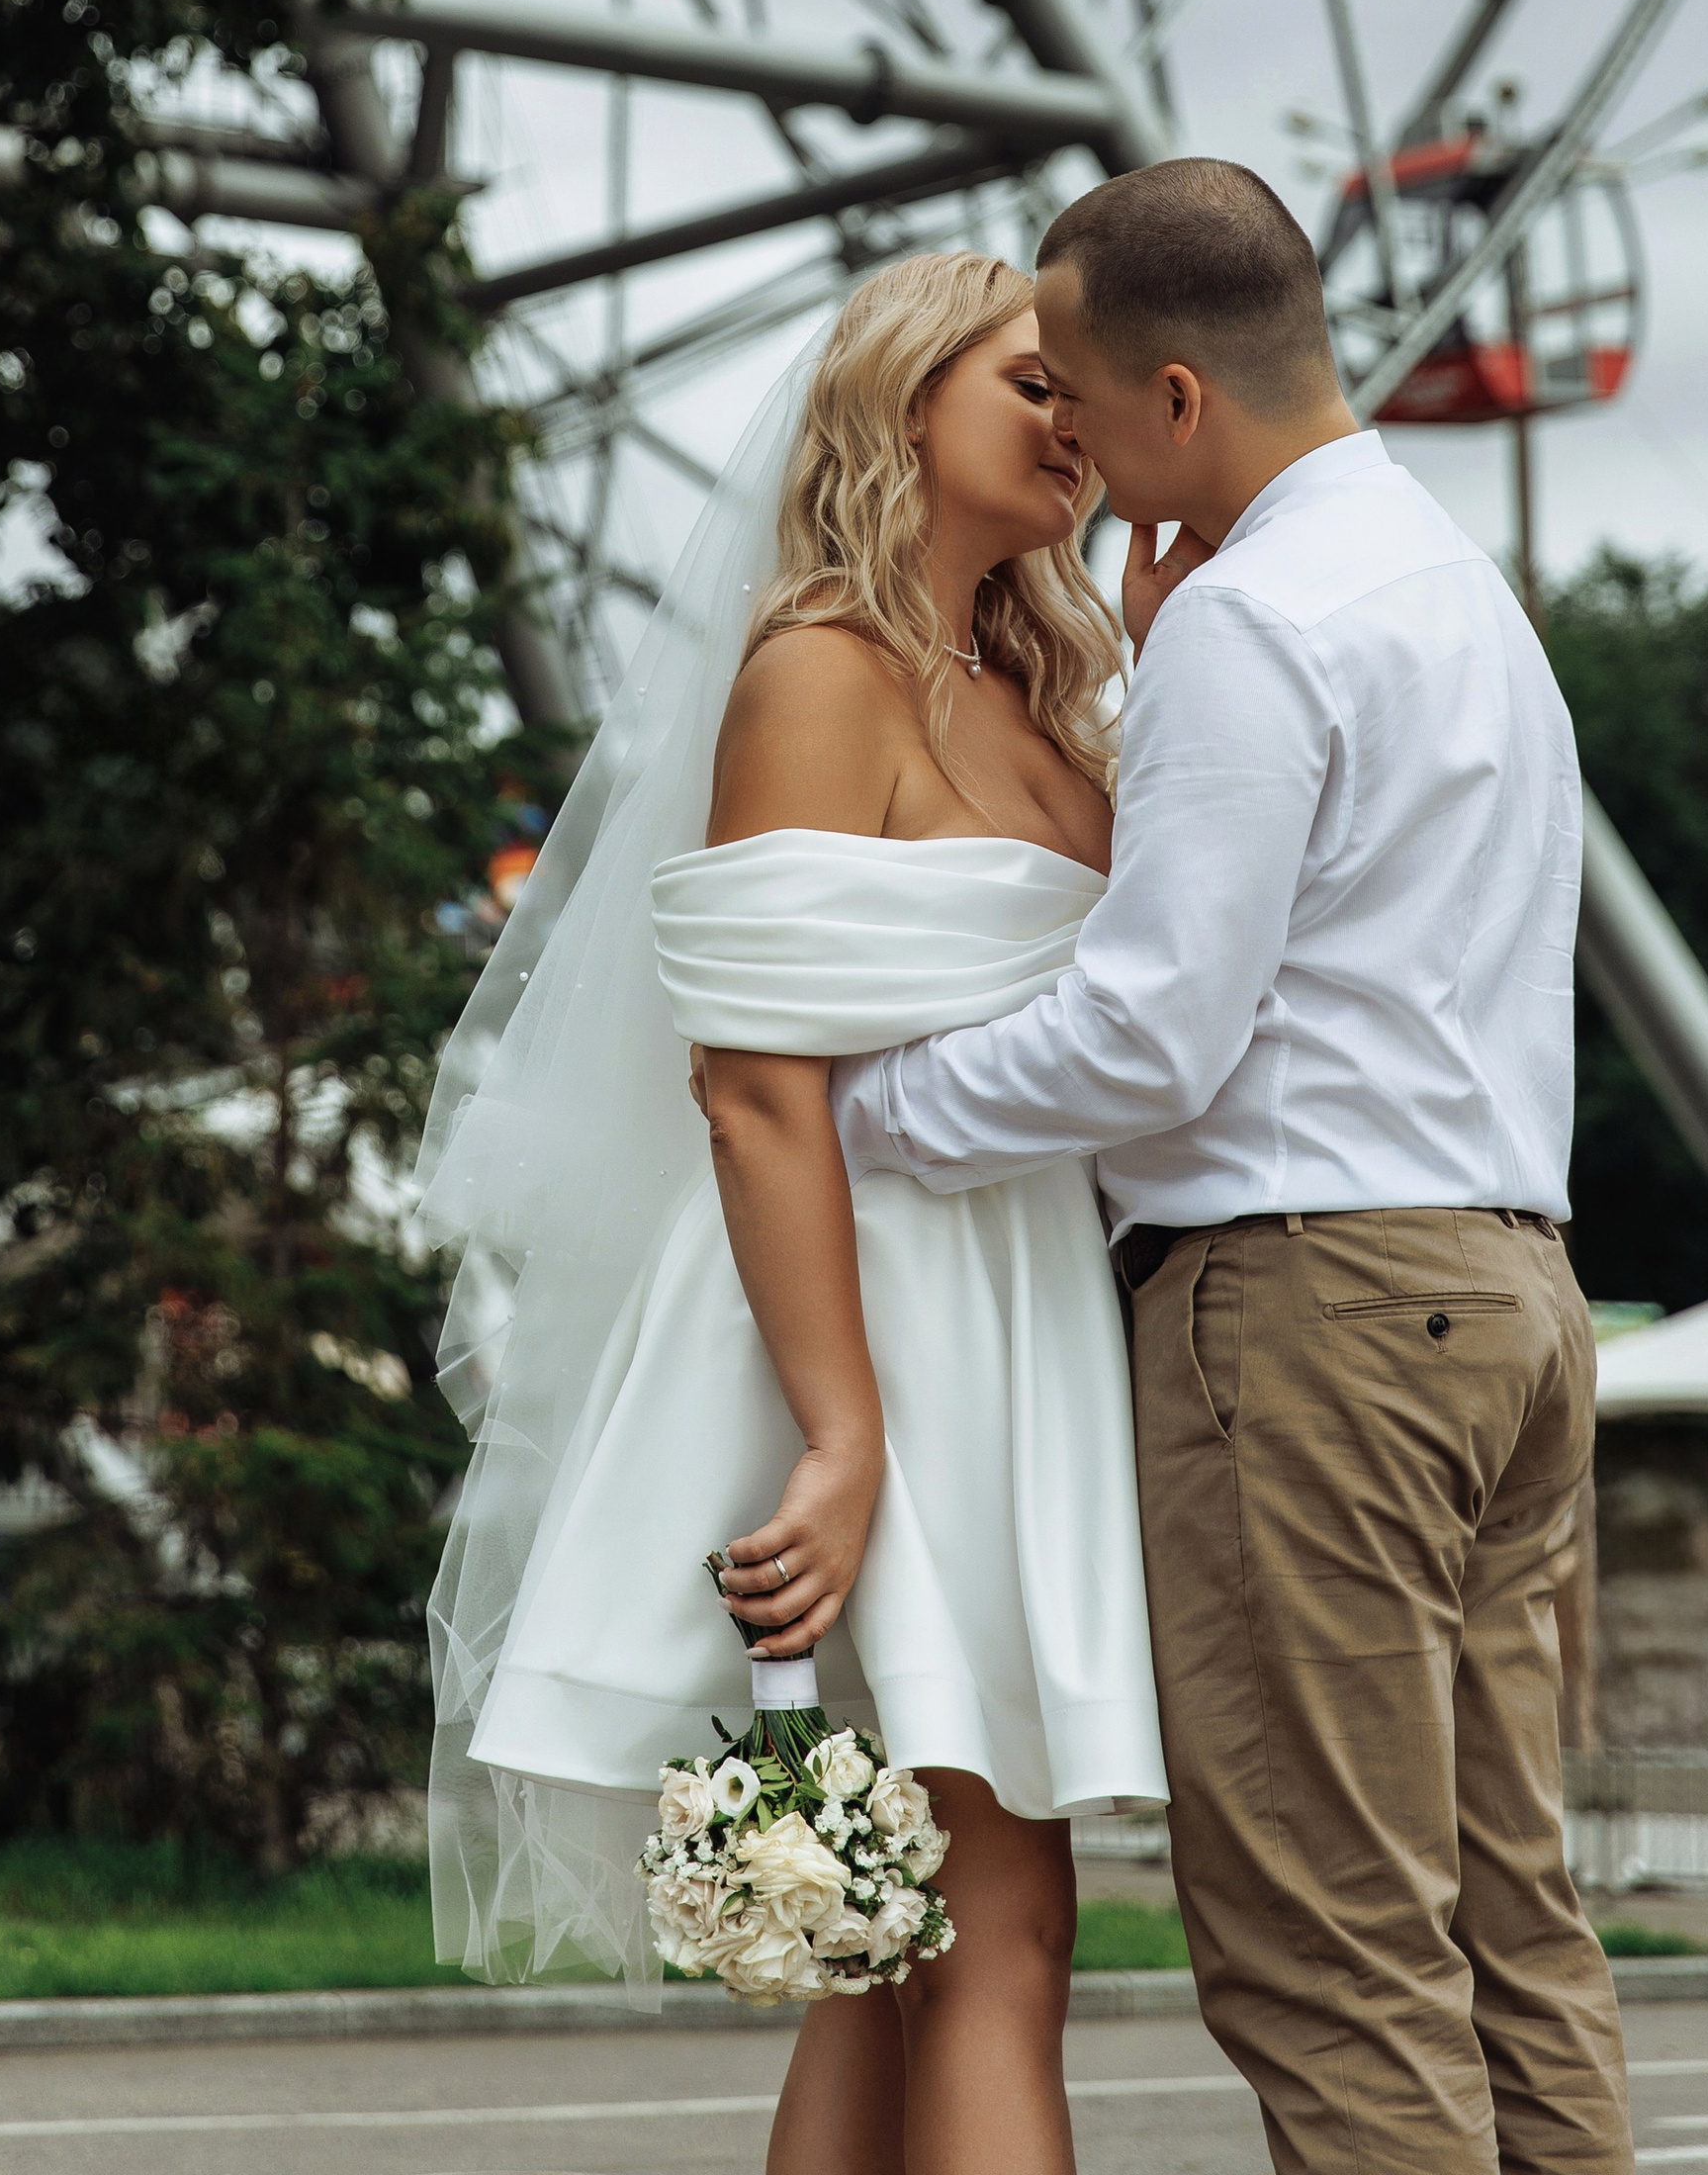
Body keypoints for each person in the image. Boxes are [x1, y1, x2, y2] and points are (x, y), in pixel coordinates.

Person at [835, 160, 1633, 2175]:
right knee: (1506, 1922)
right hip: (1511, 1294)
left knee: (1326, 1954)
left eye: (1084, 407)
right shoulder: (1460, 599)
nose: (1073, 455)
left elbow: (1150, 1031)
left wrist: (870, 1115)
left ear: (1177, 399)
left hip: (1312, 1315)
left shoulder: (1251, 625)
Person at [415, 253, 1165, 2175]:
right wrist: (840, 1436)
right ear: (901, 403)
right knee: (979, 1932)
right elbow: (751, 1089)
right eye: (1028, 387)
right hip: (875, 1319)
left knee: (895, 1932)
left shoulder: (1033, 682)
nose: (1070, 427)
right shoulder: (817, 669)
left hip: (1003, 1315)